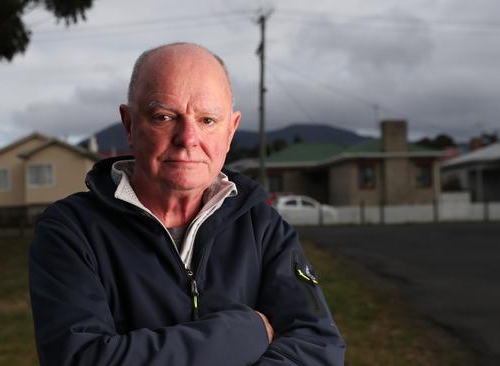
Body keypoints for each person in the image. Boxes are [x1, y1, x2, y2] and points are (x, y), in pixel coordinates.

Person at [29, 42, 345, 365]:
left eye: (208, 120)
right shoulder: (70, 231)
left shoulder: (261, 226)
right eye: (164, 117)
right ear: (129, 125)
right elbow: (80, 359)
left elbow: (318, 346)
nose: (188, 139)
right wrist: (243, 332)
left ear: (231, 131)